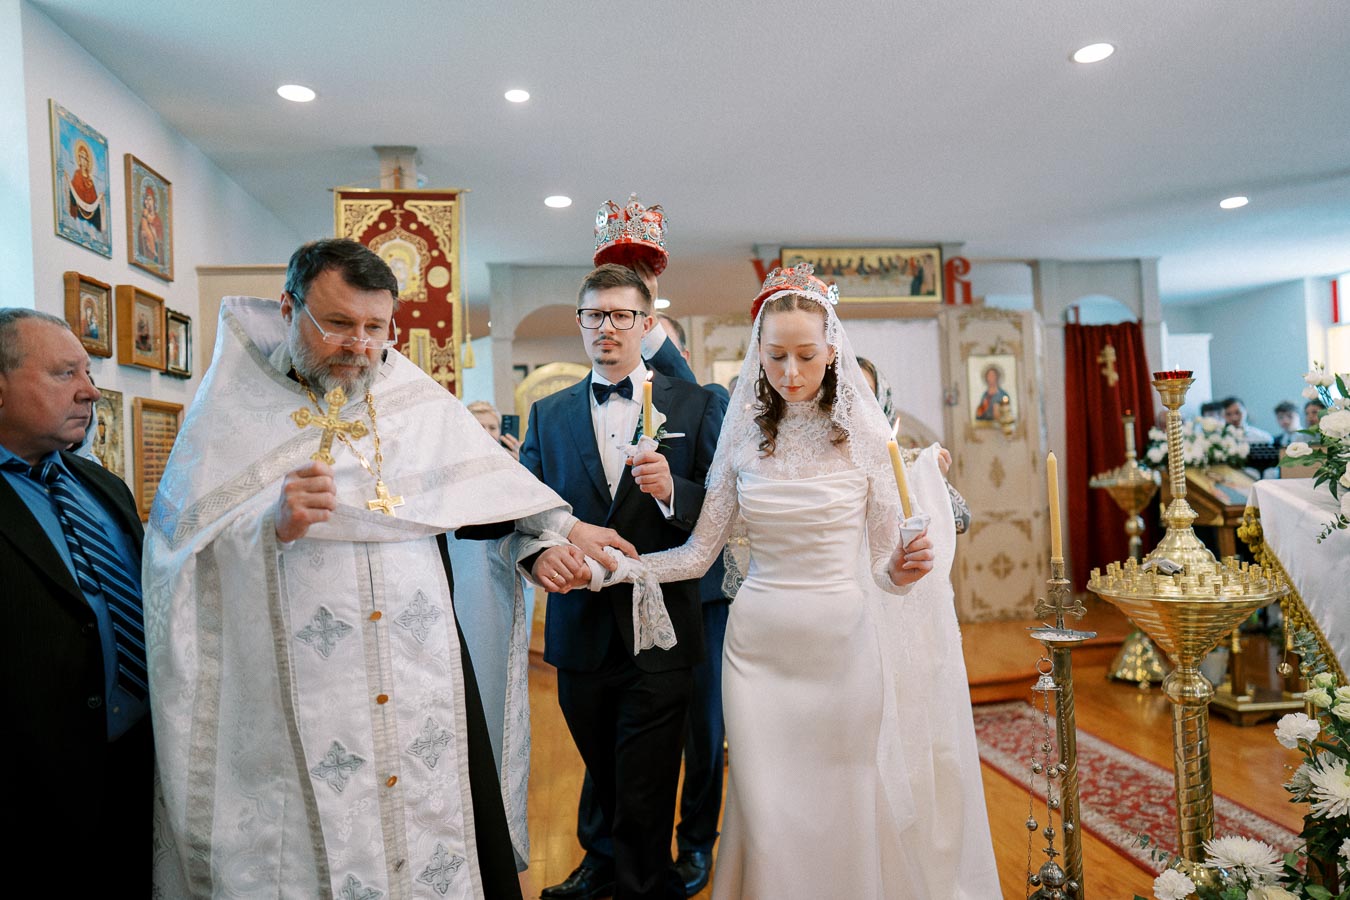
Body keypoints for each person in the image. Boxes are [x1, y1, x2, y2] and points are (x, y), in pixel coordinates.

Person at [145, 239, 633, 898]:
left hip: (418, 670)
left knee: (432, 825)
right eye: (338, 324)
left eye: (376, 328)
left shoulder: (403, 389)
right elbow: (180, 555)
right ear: (289, 308)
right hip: (304, 687)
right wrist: (271, 526)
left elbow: (481, 486)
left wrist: (562, 530)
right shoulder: (232, 409)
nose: (359, 345)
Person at [624, 264, 999, 898]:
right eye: (775, 357)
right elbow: (696, 555)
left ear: (832, 351)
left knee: (842, 805)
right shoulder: (741, 437)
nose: (791, 373)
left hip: (842, 651)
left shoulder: (865, 440)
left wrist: (903, 571)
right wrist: (619, 568)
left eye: (805, 355)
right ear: (757, 354)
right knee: (768, 814)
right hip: (757, 655)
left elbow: (886, 567)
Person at [522, 263, 723, 900]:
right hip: (579, 625)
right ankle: (603, 863)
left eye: (621, 316)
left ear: (647, 324)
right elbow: (524, 505)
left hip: (661, 622)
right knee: (602, 766)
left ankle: (643, 882)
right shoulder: (547, 412)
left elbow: (724, 504)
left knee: (647, 774)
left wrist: (674, 493)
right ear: (580, 324)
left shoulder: (694, 403)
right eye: (594, 315)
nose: (607, 327)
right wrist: (539, 554)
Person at [0, 309, 151, 890]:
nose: (91, 390)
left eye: (87, 372)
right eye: (65, 374)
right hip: (33, 796)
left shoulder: (101, 484)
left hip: (136, 766)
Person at [68, 139, 104, 232]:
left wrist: (98, 200)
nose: (83, 161)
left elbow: (94, 199)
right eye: (81, 157)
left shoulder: (90, 180)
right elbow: (73, 193)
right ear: (79, 160)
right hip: (79, 209)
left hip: (90, 212)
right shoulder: (77, 174)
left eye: (85, 158)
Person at [137, 182, 164, 264]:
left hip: (155, 250)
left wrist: (154, 234)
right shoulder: (144, 216)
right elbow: (140, 233)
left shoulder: (157, 220)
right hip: (145, 249)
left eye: (149, 199)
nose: (146, 202)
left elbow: (160, 239)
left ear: (154, 201)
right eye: (145, 199)